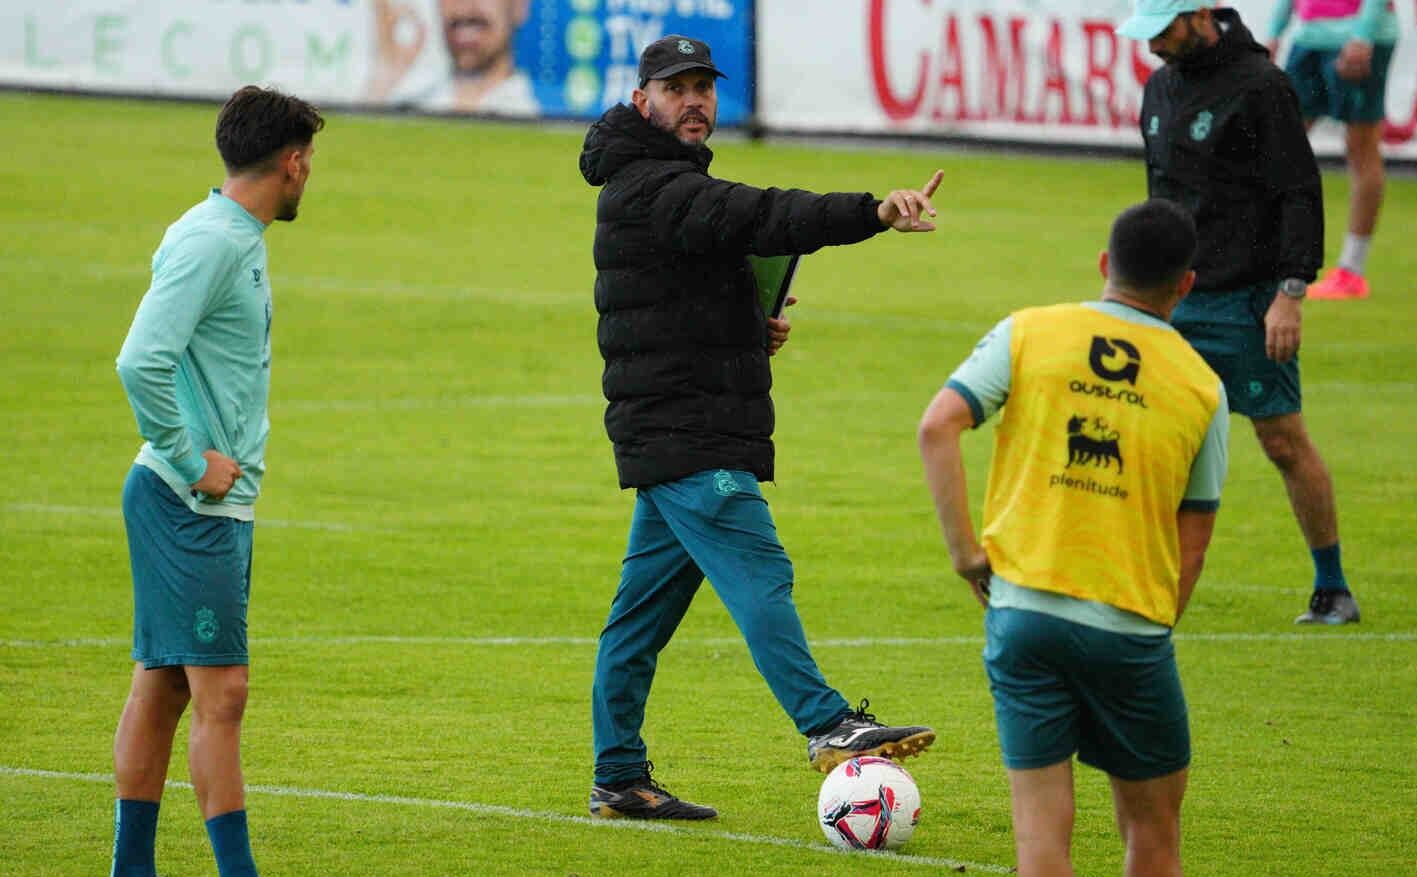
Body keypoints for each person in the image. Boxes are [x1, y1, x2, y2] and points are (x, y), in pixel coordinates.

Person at [579, 34, 944, 821]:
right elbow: (767, 215)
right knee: (759, 569)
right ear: (643, 100)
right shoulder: (652, 186)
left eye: (704, 87)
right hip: (688, 428)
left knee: (638, 618)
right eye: (676, 89)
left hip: (679, 420)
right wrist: (874, 211)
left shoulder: (666, 183)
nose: (695, 101)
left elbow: (684, 283)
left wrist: (750, 323)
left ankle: (618, 776)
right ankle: (829, 724)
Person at [917, 199, 1229, 877]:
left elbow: (937, 425)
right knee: (1152, 834)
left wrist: (967, 553)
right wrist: (1149, 622)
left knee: (1041, 842)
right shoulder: (1204, 387)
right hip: (1131, 629)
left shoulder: (1029, 331)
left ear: (1103, 265)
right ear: (1185, 285)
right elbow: (1195, 538)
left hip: (1023, 614)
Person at [110, 85, 323, 877]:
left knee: (165, 685)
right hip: (187, 498)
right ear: (293, 162)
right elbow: (141, 359)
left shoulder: (232, 232)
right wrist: (192, 456)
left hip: (205, 504)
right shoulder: (215, 242)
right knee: (222, 691)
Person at [1119, 0, 1359, 625]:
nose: (1152, 46)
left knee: (1281, 439)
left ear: (1199, 16)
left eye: (1162, 32)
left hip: (1247, 299)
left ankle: (1332, 585)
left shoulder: (1262, 86)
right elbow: (1160, 193)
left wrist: (1291, 290)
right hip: (1168, 299)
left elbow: (1298, 193)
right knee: (1150, 437)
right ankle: (1138, 581)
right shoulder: (1159, 85)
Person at [1265, 0, 1399, 300]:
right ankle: (1263, 259)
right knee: (1279, 145)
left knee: (1361, 148)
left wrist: (1363, 35)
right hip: (1308, 38)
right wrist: (1273, 33)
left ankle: (1351, 270)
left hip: (1359, 37)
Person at [367, 0, 538, 117]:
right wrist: (383, 82)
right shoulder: (409, 106)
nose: (464, 7)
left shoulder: (538, 110)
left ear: (519, 6)